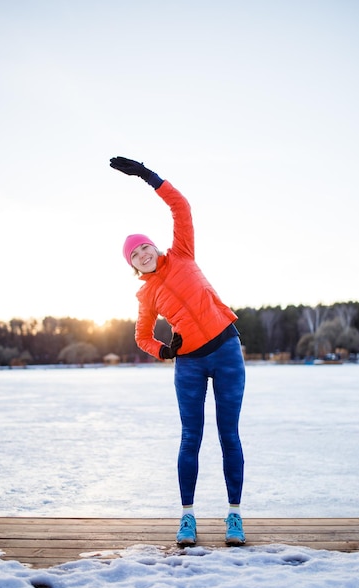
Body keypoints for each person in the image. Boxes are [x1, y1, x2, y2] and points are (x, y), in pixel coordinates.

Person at [110, 156, 246, 547]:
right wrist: (163, 351)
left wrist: (147, 176)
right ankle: (187, 518)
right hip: (188, 363)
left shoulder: (183, 252)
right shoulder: (146, 295)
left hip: (226, 351)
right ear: (132, 265)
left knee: (229, 435)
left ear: (155, 247)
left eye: (145, 247)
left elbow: (180, 206)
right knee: (191, 437)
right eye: (136, 255)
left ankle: (234, 516)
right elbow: (141, 336)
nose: (143, 255)